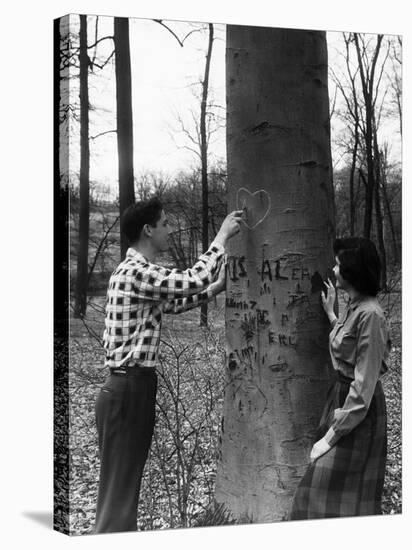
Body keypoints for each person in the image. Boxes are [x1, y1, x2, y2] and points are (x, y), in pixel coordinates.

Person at [94, 196, 243, 533]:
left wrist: (214, 288)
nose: (170, 231)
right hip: (127, 390)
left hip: (126, 390)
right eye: (165, 224)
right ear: (148, 230)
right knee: (117, 502)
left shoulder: (131, 272)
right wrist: (221, 237)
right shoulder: (136, 272)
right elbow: (191, 278)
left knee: (121, 496)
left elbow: (172, 302)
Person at [290, 237, 391, 519]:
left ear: (352, 272)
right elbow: (349, 347)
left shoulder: (371, 314)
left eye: (337, 265)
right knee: (331, 499)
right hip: (344, 403)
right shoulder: (357, 307)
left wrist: (329, 438)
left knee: (319, 494)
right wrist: (333, 314)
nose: (333, 271)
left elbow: (363, 386)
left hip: (359, 413)